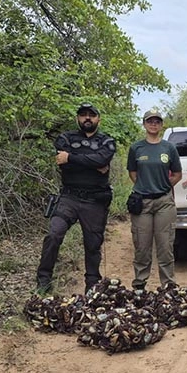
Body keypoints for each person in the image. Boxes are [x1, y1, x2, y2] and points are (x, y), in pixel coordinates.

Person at [36, 102, 116, 294]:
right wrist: (92, 163)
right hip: (69, 198)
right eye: (83, 114)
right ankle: (43, 281)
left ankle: (92, 286)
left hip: (95, 200)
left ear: (98, 119)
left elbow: (102, 159)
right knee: (54, 234)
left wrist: (71, 157)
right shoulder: (65, 138)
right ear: (77, 118)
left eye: (91, 115)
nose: (87, 118)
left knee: (93, 245)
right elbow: (64, 164)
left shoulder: (107, 140)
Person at [127, 110, 182, 291]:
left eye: (157, 121)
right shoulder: (136, 148)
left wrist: (163, 186)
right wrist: (145, 186)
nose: (153, 124)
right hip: (142, 203)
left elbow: (177, 174)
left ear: (161, 124)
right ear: (144, 124)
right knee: (142, 247)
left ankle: (168, 285)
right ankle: (139, 285)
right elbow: (133, 173)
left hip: (164, 202)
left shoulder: (169, 148)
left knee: (165, 247)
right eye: (150, 121)